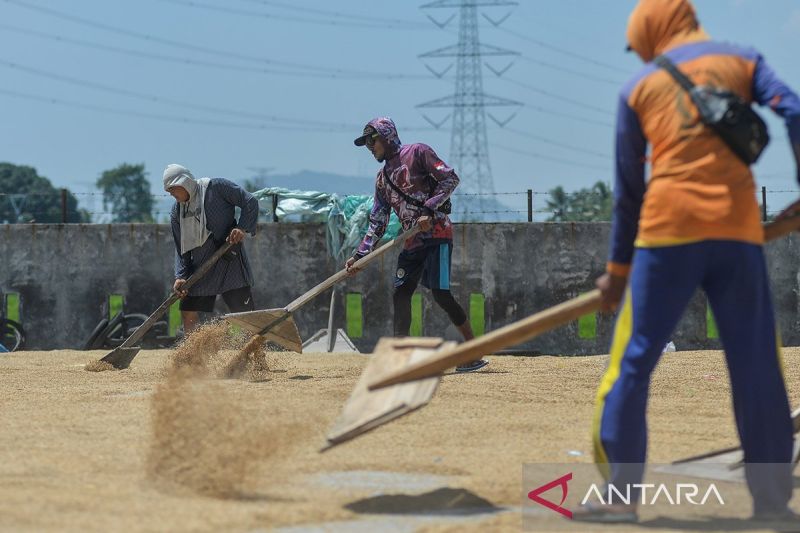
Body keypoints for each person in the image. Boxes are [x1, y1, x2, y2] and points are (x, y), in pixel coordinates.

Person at [579, 0, 800, 523]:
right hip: (738, 231)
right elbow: (791, 109)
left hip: (666, 235)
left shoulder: (638, 88)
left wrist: (617, 271)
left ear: (652, 31)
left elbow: (630, 189)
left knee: (632, 364)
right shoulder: (742, 60)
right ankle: (772, 504)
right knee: (756, 365)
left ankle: (618, 499)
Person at [346, 117, 488, 372]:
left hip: (437, 235)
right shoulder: (382, 179)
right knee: (401, 293)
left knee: (440, 294)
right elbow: (377, 220)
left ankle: (473, 351)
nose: (369, 147)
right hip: (411, 243)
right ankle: (401, 360)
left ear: (386, 135)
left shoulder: (418, 152)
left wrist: (428, 209)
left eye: (372, 140)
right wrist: (359, 256)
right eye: (366, 143)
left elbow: (450, 179)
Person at [164, 164, 259, 334]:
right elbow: (181, 248)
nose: (172, 194)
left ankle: (256, 356)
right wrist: (181, 276)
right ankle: (195, 358)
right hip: (200, 269)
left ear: (184, 183)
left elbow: (249, 201)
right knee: (188, 313)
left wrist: (242, 227)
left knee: (246, 315)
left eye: (173, 189)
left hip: (229, 263)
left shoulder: (218, 188)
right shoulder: (176, 212)